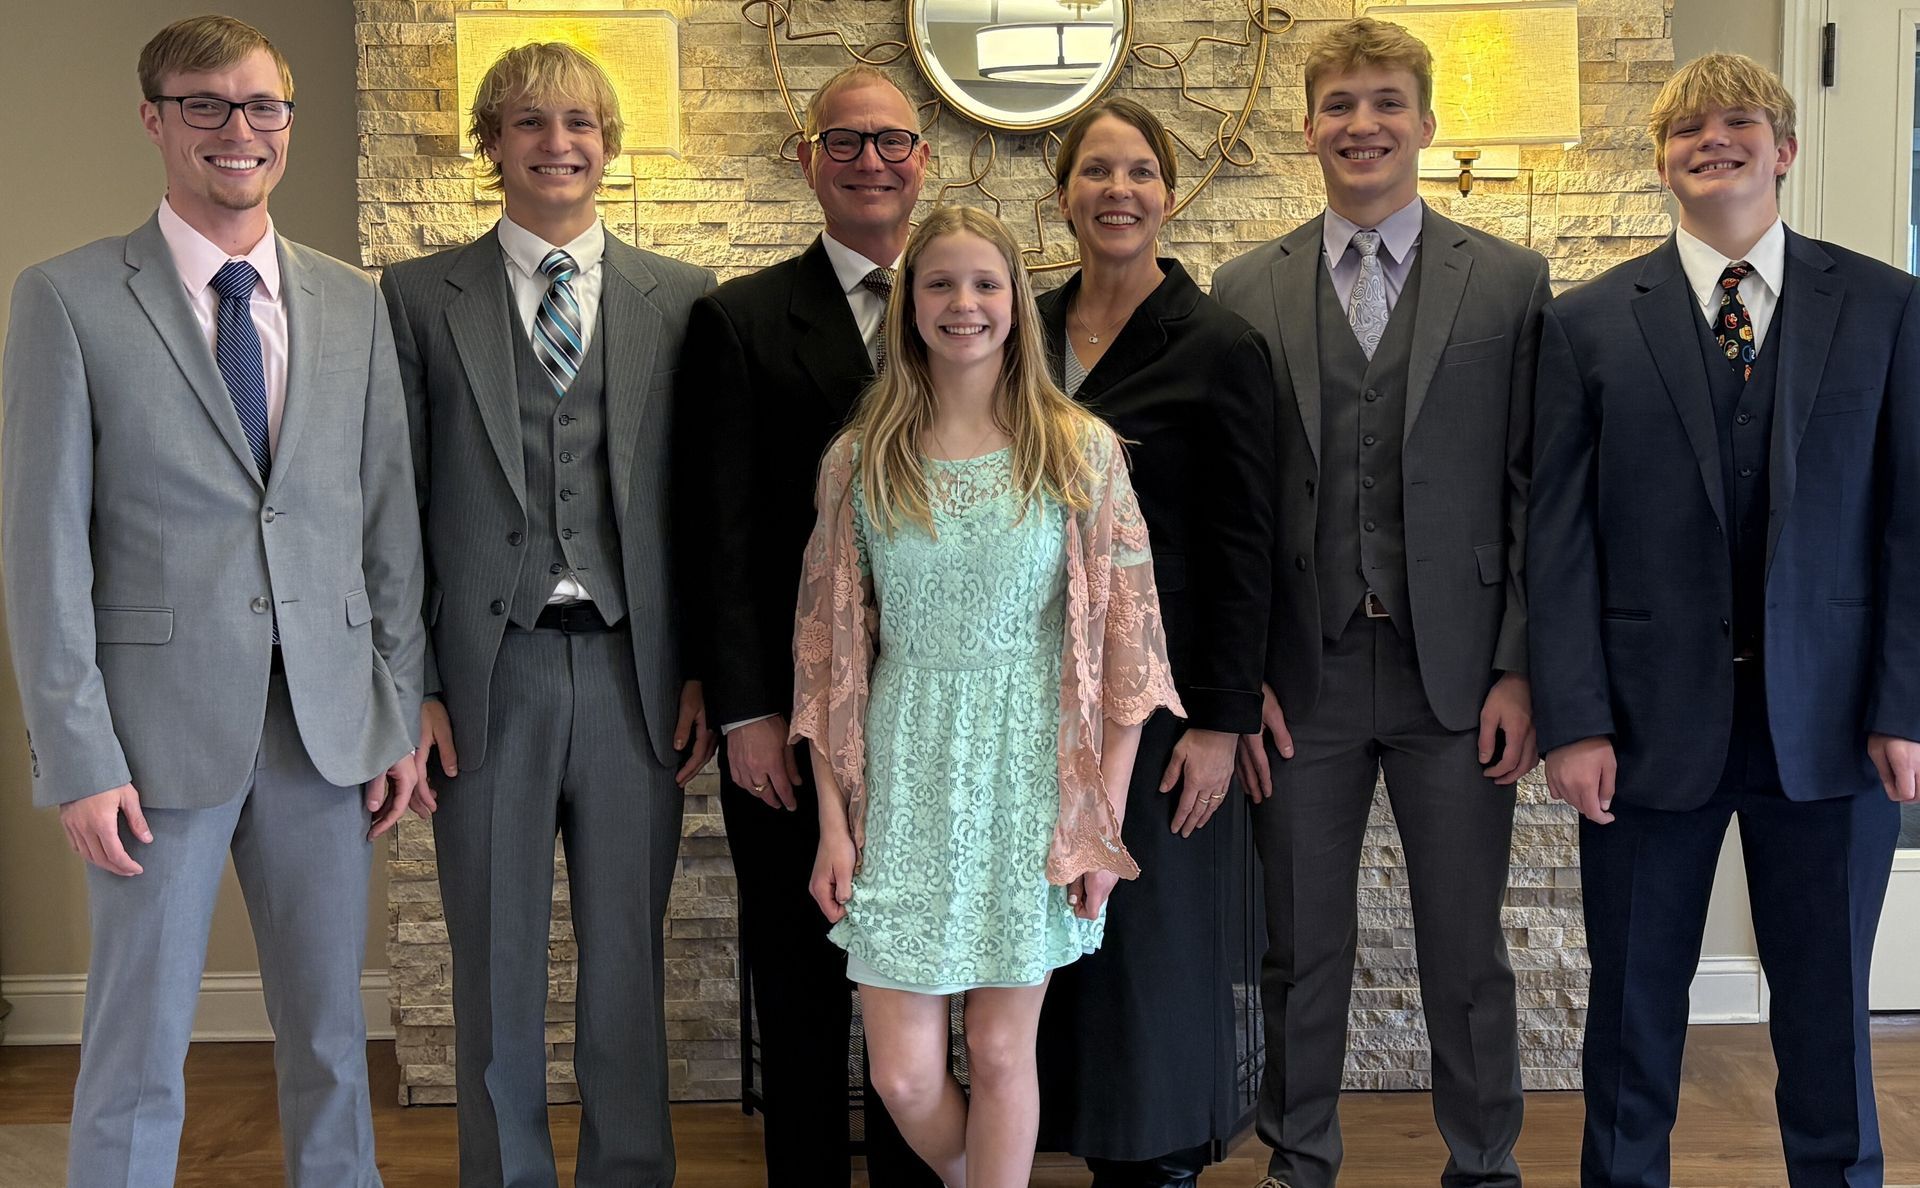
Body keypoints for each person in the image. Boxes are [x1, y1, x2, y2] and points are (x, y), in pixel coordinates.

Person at [0, 15, 423, 1186]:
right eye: (205, 104)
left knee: (333, 1041)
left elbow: (386, 524)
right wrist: (77, 754)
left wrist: (392, 709)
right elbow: (42, 552)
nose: (238, 129)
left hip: (324, 728)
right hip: (149, 743)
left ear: (289, 120)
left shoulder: (353, 303)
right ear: (154, 119)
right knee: (137, 1051)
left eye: (261, 105)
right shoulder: (69, 299)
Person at [1529, 51, 1919, 1188]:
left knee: (1829, 1016)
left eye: (1739, 121)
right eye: (1686, 128)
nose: (1713, 140)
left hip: (1834, 726)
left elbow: (1910, 523)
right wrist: (1574, 720)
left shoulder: (1887, 307)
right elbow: (1557, 539)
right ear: (1662, 162)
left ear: (1783, 149)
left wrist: (1904, 704)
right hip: (1645, 729)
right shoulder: (1587, 322)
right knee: (1632, 1010)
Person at [1212, 17, 1550, 1188]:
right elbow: (1234, 506)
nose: (1364, 125)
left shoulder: (1507, 280)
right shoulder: (1244, 285)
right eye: (1341, 105)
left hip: (1455, 676)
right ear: (1307, 127)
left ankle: (1485, 1164)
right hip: (1299, 680)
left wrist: (1519, 667)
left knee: (1466, 950)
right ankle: (1299, 1160)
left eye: (1387, 102)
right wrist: (1238, 679)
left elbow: (1532, 489)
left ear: (1427, 122)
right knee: (1299, 947)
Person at [378, 42, 716, 1188]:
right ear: (491, 144)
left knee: (627, 961)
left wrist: (702, 670)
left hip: (634, 674)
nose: (556, 142)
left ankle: (631, 1172)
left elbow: (701, 507)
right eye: (528, 121)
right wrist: (418, 685)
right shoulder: (420, 297)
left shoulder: (684, 297)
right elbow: (395, 504)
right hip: (491, 676)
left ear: (610, 144)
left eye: (578, 122)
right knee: (494, 960)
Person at [793, 201, 1182, 1188]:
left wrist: (1098, 826)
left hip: (1029, 777)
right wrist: (833, 823)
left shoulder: (1079, 450)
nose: (962, 303)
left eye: (984, 283)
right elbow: (829, 656)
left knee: (1005, 1053)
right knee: (903, 1075)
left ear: (1015, 302)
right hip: (904, 773)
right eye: (939, 283)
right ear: (909, 305)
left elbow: (1129, 655)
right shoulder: (859, 460)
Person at [673, 64, 939, 1185]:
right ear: (807, 161)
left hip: (936, 705)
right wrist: (744, 710)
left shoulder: (969, 305)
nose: (870, 161)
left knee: (923, 974)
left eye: (891, 141)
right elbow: (718, 531)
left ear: (924, 160)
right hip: (789, 718)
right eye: (845, 142)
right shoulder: (737, 321)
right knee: (797, 977)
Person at [1029, 98, 1276, 1188]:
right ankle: (1064, 1140)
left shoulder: (1220, 344)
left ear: (1168, 196)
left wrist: (1222, 720)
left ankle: (1159, 1166)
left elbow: (1245, 545)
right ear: (1064, 197)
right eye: (1095, 171)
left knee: (1152, 945)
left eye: (1138, 171)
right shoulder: (1019, 327)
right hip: (1027, 683)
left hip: (1161, 701)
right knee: (1053, 925)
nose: (1116, 191)